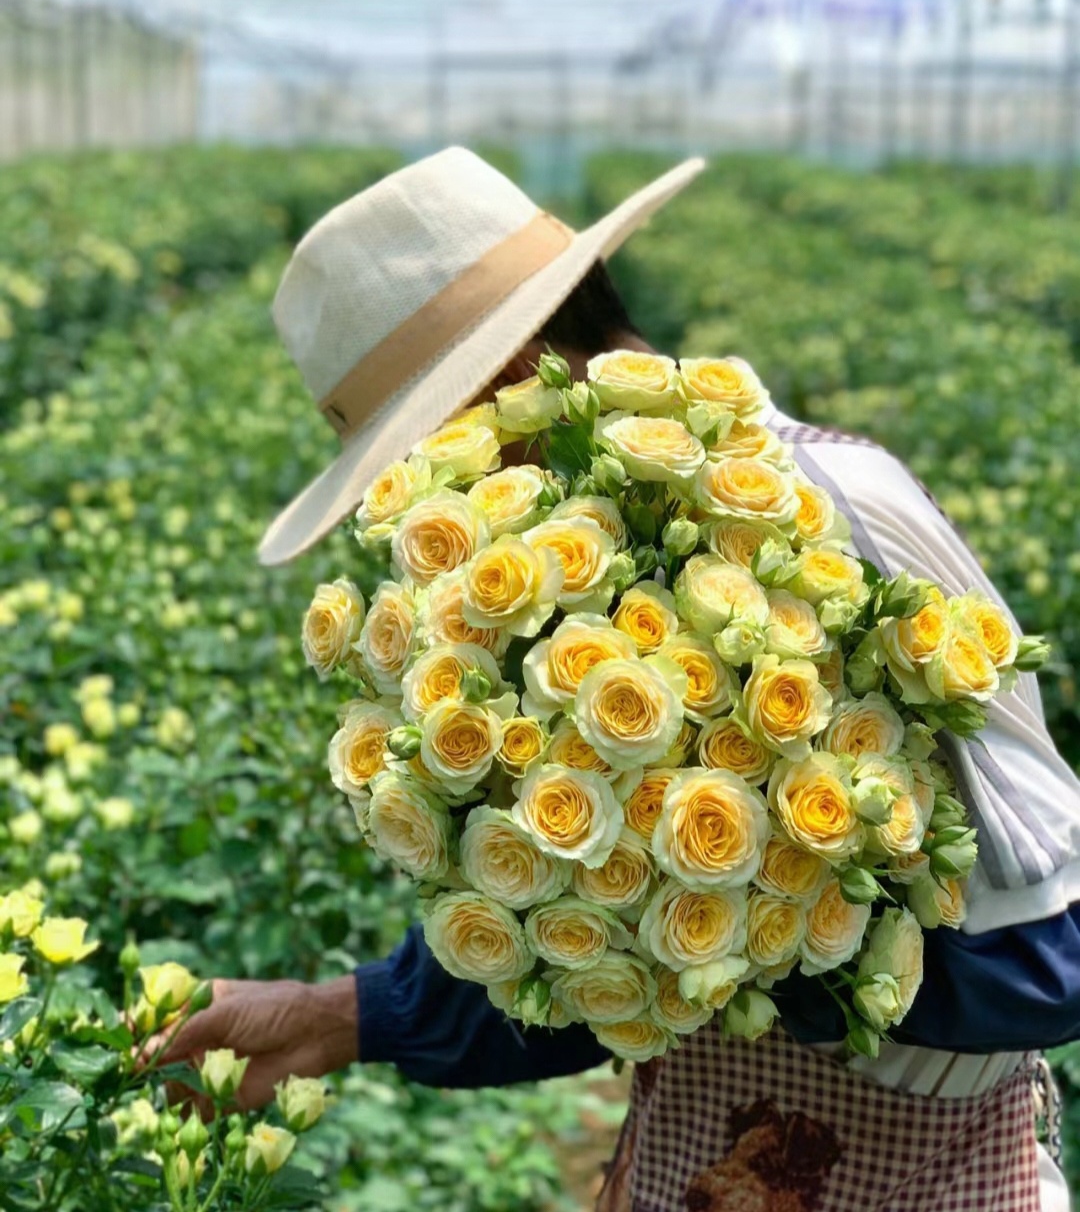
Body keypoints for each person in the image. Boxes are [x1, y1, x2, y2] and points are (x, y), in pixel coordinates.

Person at [171, 148, 1080, 1211]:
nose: (425, 506)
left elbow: (1052, 953)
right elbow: (583, 943)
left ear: (510, 384)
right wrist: (340, 1013)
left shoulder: (833, 515)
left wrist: (776, 935)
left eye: (422, 457)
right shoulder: (544, 605)